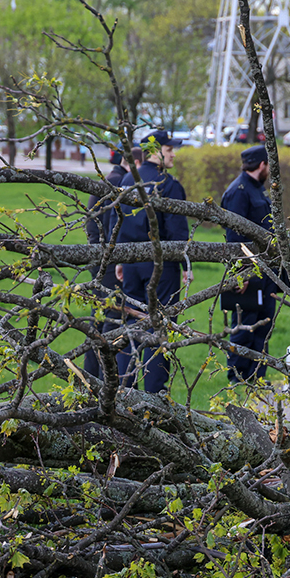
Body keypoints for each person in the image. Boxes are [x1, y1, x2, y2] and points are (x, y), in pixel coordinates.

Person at [111, 129, 191, 394]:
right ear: (156, 152)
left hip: (131, 262)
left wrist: (119, 260)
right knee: (161, 327)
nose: (173, 154)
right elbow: (178, 233)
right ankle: (154, 396)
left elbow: (116, 221)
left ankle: (124, 389)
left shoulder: (126, 179)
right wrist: (184, 267)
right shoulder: (166, 184)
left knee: (131, 325)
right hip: (160, 265)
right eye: (169, 150)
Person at [83, 148, 141, 379]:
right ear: (134, 163)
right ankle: (104, 376)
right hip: (108, 262)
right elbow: (113, 227)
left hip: (98, 258)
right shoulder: (118, 184)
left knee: (99, 318)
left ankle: (93, 375)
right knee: (111, 317)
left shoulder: (110, 179)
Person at [220, 144, 276, 383]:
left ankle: (257, 378)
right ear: (262, 165)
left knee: (263, 326)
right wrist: (241, 274)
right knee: (244, 328)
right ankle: (237, 380)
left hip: (265, 271)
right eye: (269, 165)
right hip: (247, 272)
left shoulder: (256, 189)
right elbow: (234, 237)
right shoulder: (239, 191)